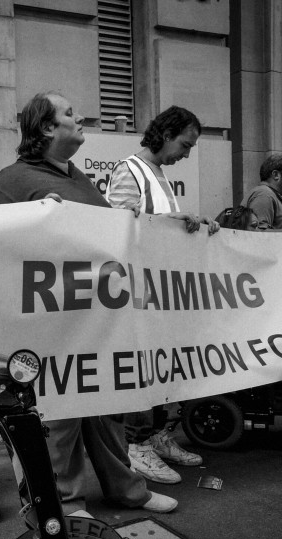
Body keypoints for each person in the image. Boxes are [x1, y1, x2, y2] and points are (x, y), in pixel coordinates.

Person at [0, 91, 177, 514]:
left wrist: (174, 230)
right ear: (48, 128)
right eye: (70, 113)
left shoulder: (79, 178)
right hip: (48, 327)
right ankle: (66, 502)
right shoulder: (11, 181)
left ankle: (128, 491)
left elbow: (117, 230)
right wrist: (30, 219)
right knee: (60, 418)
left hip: (96, 320)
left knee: (107, 410)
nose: (80, 116)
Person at [106, 106, 216, 486]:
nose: (186, 154)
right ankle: (136, 445)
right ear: (166, 134)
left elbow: (157, 227)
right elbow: (117, 228)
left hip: (158, 294)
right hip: (139, 295)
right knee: (145, 369)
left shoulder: (158, 175)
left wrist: (192, 225)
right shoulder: (130, 170)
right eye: (185, 145)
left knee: (163, 368)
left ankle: (153, 437)